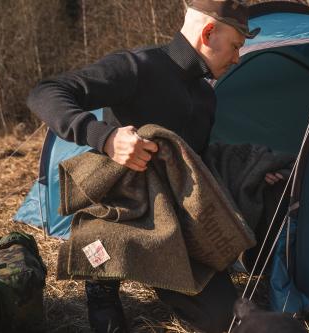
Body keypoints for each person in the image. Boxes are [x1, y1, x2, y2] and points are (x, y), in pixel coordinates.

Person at [26, 1, 284, 332]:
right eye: (235, 46)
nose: (237, 58)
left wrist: (254, 169)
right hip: (126, 215)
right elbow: (45, 92)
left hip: (174, 224)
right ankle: (102, 282)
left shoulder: (207, 97)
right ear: (208, 33)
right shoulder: (138, 67)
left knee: (220, 318)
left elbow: (198, 162)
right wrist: (104, 138)